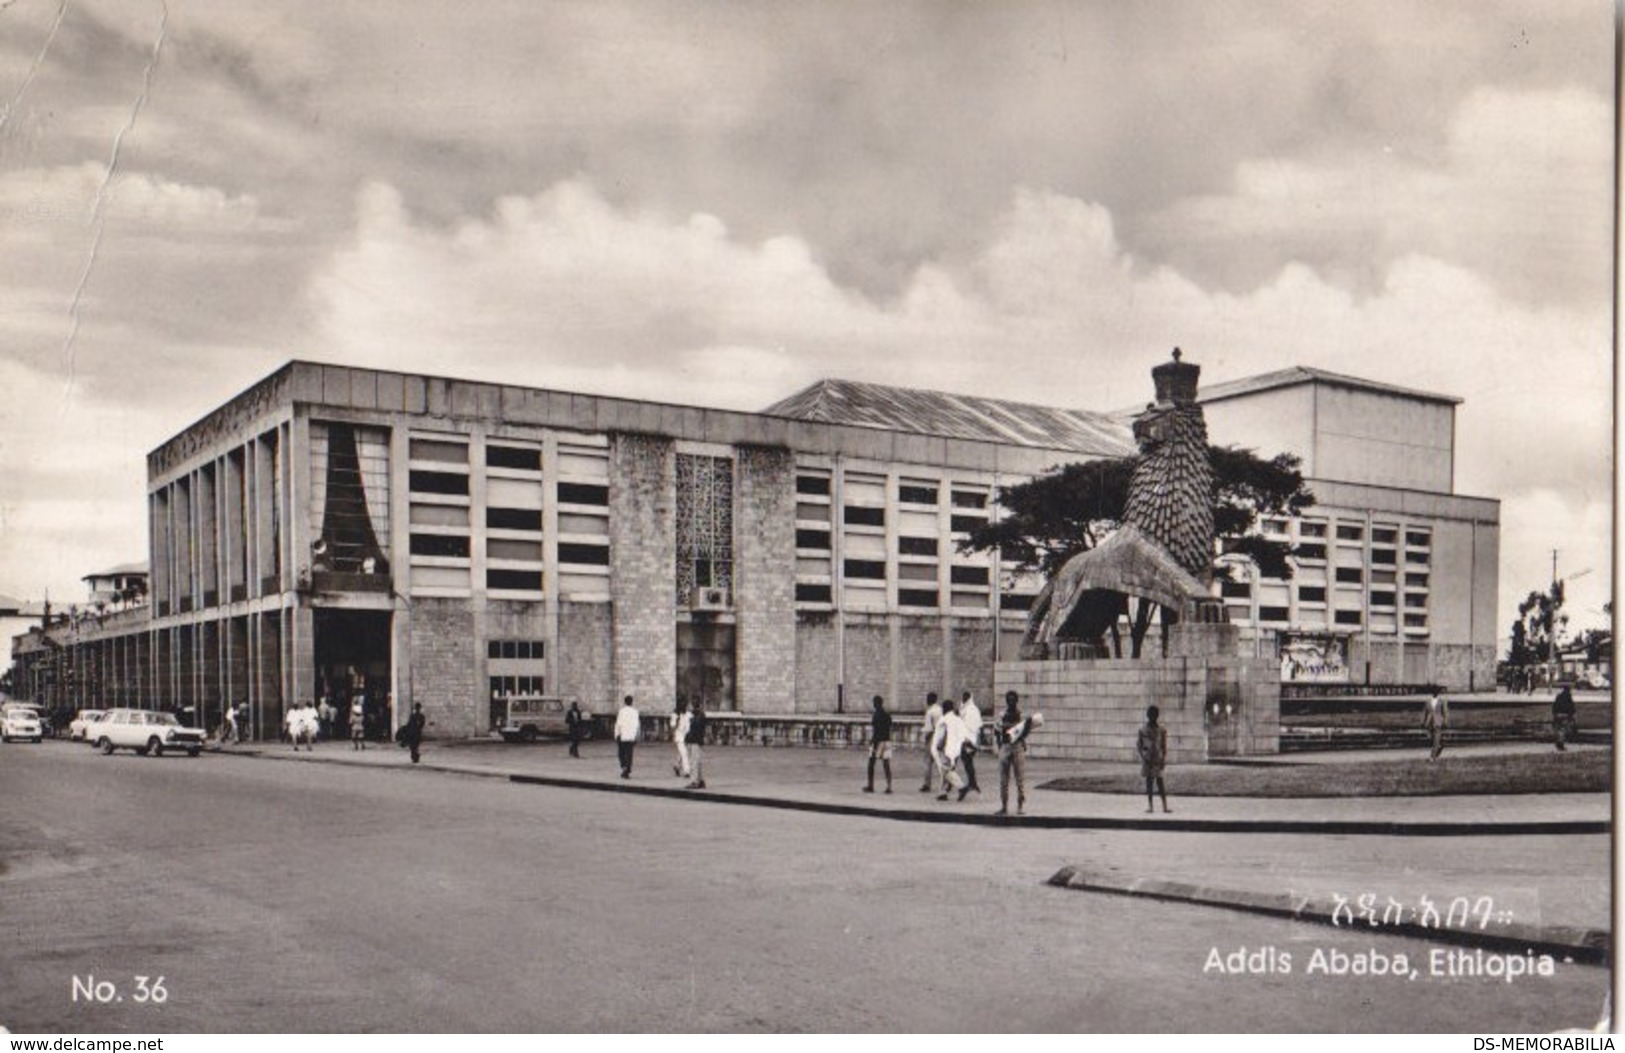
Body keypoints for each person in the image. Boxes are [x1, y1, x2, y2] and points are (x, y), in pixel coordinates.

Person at [995, 690, 1041, 816]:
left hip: (1017, 747)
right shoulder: (1002, 715)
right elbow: (997, 730)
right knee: (1003, 780)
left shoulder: (1021, 716)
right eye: (1008, 700)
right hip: (1005, 747)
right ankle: (1004, 806)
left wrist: (1022, 735)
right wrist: (1000, 745)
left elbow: (1025, 732)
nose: (1010, 702)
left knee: (1019, 779)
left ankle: (1020, 806)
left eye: (1012, 700)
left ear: (1016, 701)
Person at [932, 697, 970, 801]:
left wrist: (938, 747)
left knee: (945, 769)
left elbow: (942, 735)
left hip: (945, 748)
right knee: (946, 770)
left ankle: (961, 787)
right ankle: (942, 792)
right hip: (956, 749)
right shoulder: (957, 719)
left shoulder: (943, 719)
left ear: (944, 708)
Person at [1137, 705, 1170, 814]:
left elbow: (1164, 746)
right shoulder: (1143, 730)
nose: (1153, 717)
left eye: (1154, 715)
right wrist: (1143, 756)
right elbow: (1139, 745)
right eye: (1151, 715)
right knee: (1149, 783)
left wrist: (1163, 760)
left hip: (1158, 760)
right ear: (1148, 716)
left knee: (1160, 783)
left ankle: (1164, 806)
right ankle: (1150, 806)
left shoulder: (1161, 730)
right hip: (1148, 761)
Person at [864, 694, 893, 794]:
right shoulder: (887, 715)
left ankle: (870, 785)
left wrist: (873, 742)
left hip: (877, 741)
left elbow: (875, 730)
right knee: (886, 764)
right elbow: (889, 726)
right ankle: (889, 786)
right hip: (887, 740)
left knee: (871, 764)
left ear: (875, 704)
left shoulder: (876, 715)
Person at [918, 692, 944, 792]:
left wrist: (925, 739)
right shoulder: (941, 710)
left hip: (932, 737)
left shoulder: (930, 712)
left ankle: (927, 784)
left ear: (928, 700)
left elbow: (929, 728)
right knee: (941, 762)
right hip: (941, 737)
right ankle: (947, 782)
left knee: (928, 762)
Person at [958, 690, 983, 796]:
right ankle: (973, 782)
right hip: (966, 739)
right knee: (967, 761)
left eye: (966, 697)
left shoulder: (972, 709)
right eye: (963, 696)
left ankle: (972, 783)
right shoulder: (964, 709)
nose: (964, 698)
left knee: (967, 761)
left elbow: (974, 726)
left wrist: (969, 740)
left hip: (969, 740)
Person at [613, 695, 641, 778]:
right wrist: (637, 735)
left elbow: (618, 724)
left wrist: (616, 734)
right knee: (629, 753)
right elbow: (637, 725)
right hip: (631, 735)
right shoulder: (635, 711)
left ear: (625, 702)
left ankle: (624, 767)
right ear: (632, 702)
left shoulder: (621, 711)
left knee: (621, 753)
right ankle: (628, 768)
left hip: (622, 735)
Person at [685, 698, 708, 789]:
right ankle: (700, 780)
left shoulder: (699, 716)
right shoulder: (697, 716)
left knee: (694, 762)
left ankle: (695, 781)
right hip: (695, 741)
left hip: (695, 741)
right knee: (697, 762)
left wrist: (689, 737)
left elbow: (696, 730)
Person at [1421, 689, 1448, 761]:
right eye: (1434, 692)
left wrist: (1445, 721)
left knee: (1436, 739)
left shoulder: (1441, 701)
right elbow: (1425, 712)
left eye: (1436, 692)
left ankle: (1432, 757)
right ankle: (1439, 746)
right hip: (1429, 723)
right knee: (1432, 739)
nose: (1435, 693)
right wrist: (1423, 721)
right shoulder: (1428, 701)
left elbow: (1445, 712)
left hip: (1438, 722)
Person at [671, 697, 693, 780]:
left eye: (684, 704)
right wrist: (677, 720)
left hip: (687, 736)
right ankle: (687, 771)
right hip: (679, 736)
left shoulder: (688, 714)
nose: (683, 706)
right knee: (684, 753)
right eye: (682, 704)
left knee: (682, 753)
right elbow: (673, 726)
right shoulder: (675, 715)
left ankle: (676, 765)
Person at [1552, 686, 1577, 752]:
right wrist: (1572, 714)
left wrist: (1554, 713)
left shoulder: (1559, 696)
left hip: (1558, 714)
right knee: (1563, 729)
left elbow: (1555, 705)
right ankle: (1560, 743)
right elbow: (1571, 706)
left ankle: (1559, 741)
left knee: (1559, 729)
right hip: (1565, 715)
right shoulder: (1568, 697)